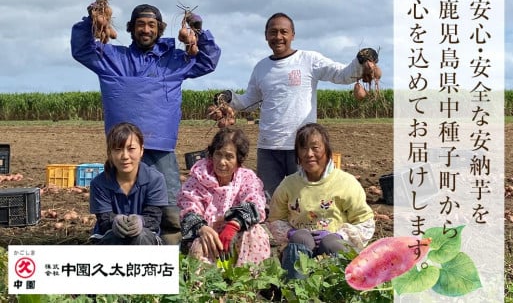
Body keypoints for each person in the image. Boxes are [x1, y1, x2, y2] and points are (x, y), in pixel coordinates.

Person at [71, 2, 221, 243]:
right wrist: (92, 21)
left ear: (160, 29)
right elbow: (81, 49)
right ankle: (118, 252)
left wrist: (199, 31)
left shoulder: (175, 59)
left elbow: (207, 61)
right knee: (120, 204)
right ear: (131, 29)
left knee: (170, 210)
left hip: (160, 149)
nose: (146, 29)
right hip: (123, 149)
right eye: (140, 24)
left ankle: (171, 258)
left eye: (152, 25)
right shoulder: (111, 57)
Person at [213, 12, 379, 200]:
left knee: (305, 200)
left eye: (284, 32)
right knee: (269, 201)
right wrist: (229, 98)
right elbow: (249, 102)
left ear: (293, 35)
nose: (278, 37)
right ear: (266, 35)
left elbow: (341, 74)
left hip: (301, 146)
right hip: (268, 147)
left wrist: (361, 61)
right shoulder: (261, 67)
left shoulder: (309, 60)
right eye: (273, 32)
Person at [267, 123, 375, 279]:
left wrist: (340, 236)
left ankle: (337, 288)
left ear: (327, 151)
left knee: (331, 243)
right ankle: (296, 290)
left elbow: (366, 223)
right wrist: (290, 232)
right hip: (301, 251)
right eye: (303, 148)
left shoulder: (346, 183)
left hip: (333, 248)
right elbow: (275, 219)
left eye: (315, 148)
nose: (309, 154)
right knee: (300, 239)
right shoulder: (288, 185)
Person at [177, 127, 271, 266]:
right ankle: (205, 286)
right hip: (208, 235)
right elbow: (188, 208)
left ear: (239, 159)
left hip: (237, 235)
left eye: (229, 156)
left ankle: (249, 283)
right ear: (211, 154)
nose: (222, 162)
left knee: (255, 233)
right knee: (200, 245)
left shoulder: (247, 178)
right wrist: (202, 228)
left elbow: (255, 204)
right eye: (218, 154)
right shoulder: (198, 178)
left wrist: (233, 224)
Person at [89, 122, 168, 245]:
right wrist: (114, 221)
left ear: (141, 150)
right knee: (114, 237)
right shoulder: (99, 183)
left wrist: (141, 221)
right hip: (109, 237)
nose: (125, 156)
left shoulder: (155, 179)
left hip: (146, 238)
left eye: (131, 149)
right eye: (118, 149)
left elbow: (154, 218)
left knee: (140, 236)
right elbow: (103, 221)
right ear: (110, 153)